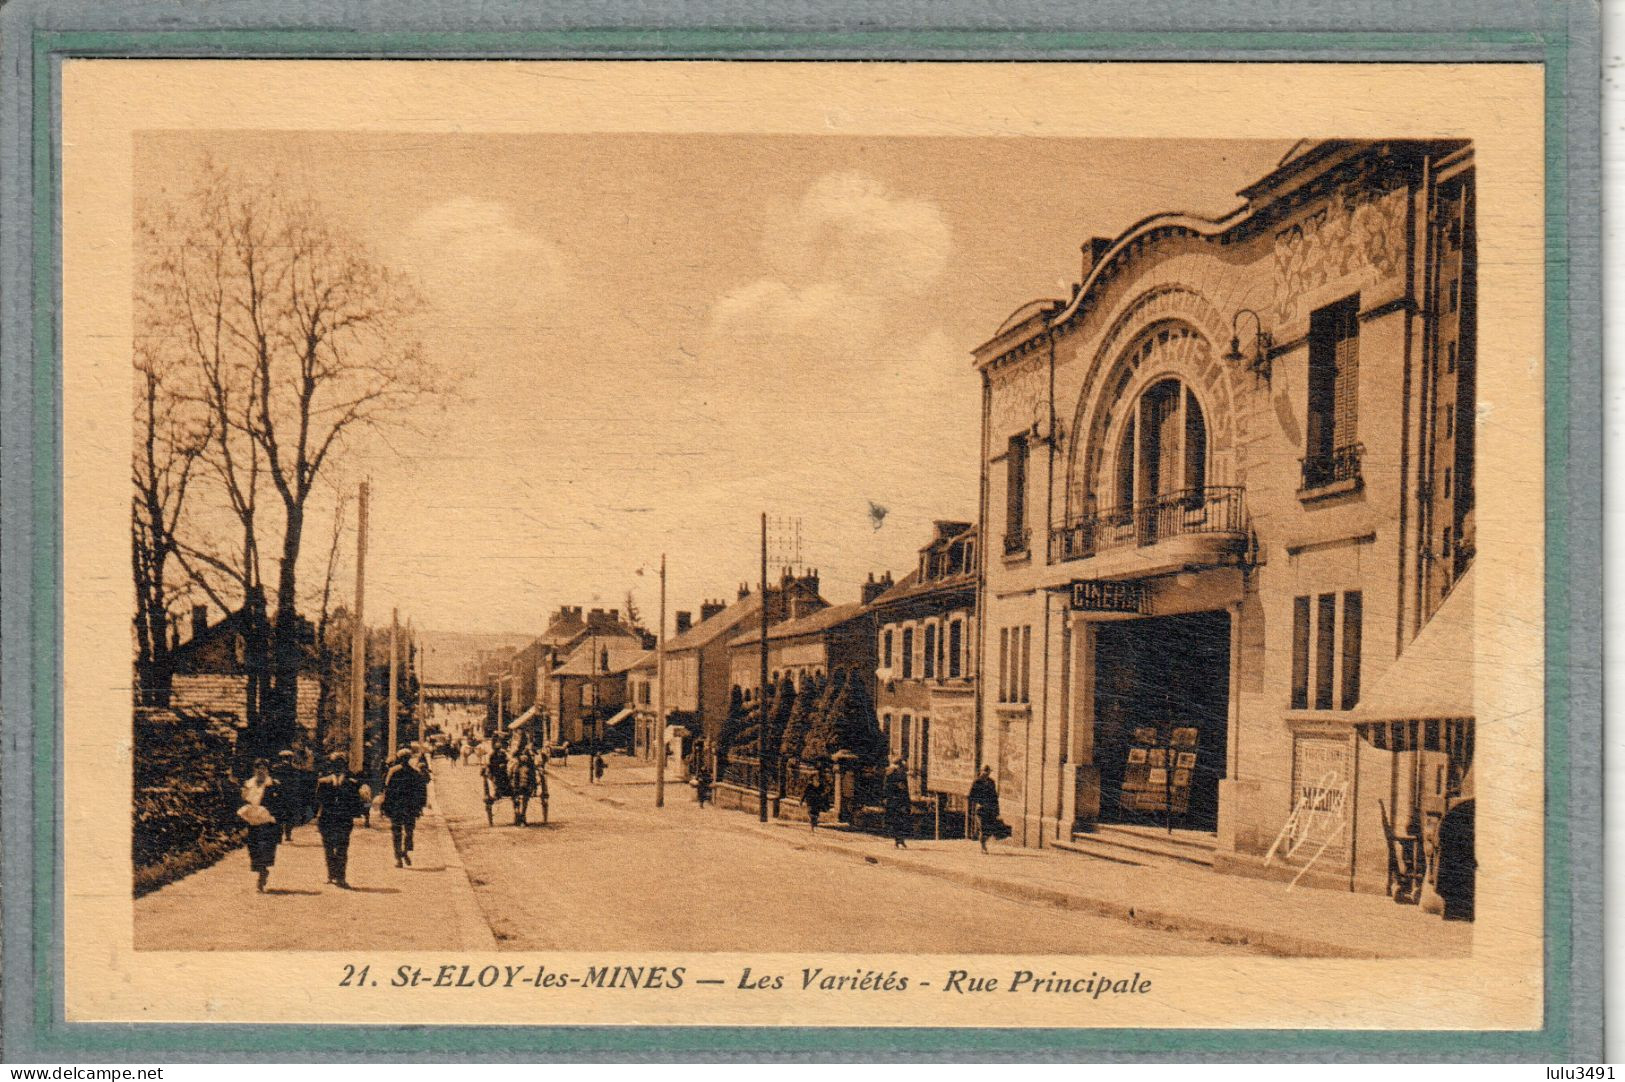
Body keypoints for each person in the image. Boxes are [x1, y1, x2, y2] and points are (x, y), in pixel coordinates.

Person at [314, 754, 366, 888]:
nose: (338, 767)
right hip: (327, 819)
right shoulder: (323, 782)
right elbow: (318, 800)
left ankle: (341, 877)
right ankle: (332, 874)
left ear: (344, 766)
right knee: (329, 848)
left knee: (342, 849)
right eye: (335, 764)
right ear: (331, 766)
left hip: (343, 820)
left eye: (340, 764)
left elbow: (355, 802)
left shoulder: (351, 783)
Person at [239, 758, 281, 892]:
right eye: (258, 768)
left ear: (267, 770)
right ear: (254, 770)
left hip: (267, 822)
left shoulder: (273, 785)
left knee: (264, 848)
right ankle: (261, 870)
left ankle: (262, 873)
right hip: (252, 821)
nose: (260, 771)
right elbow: (242, 801)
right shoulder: (248, 784)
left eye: (263, 768)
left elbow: (280, 804)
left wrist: (275, 817)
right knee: (253, 849)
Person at [381, 748, 428, 868]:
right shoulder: (415, 772)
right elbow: (422, 792)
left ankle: (398, 858)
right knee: (409, 832)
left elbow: (387, 789)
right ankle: (405, 851)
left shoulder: (393, 771)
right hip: (410, 807)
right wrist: (420, 807)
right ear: (409, 759)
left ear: (399, 758)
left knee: (396, 832)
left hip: (396, 806)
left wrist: (385, 805)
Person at [968, 765, 1008, 854]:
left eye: (988, 772)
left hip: (990, 809)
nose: (987, 774)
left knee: (988, 829)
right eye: (985, 772)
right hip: (980, 809)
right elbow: (971, 796)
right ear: (981, 772)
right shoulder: (977, 782)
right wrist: (979, 803)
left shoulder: (991, 782)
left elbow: (994, 797)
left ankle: (981, 839)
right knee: (983, 827)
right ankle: (983, 846)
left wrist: (997, 810)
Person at [268, 750, 302, 843]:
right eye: (286, 758)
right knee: (286, 816)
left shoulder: (276, 768)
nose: (286, 760)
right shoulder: (294, 769)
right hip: (286, 795)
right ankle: (286, 835)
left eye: (287, 758)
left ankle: (282, 836)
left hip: (282, 795)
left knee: (282, 816)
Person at [883, 758, 912, 849]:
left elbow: (905, 790)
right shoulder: (894, 775)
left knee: (900, 821)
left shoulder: (895, 774)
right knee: (898, 821)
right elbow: (888, 789)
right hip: (896, 801)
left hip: (897, 801)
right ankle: (899, 840)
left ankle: (900, 840)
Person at [482, 740, 511, 826]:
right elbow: (490, 764)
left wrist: (504, 763)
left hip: (503, 772)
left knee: (507, 778)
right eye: (497, 749)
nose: (499, 750)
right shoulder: (491, 755)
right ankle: (497, 791)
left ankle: (508, 789)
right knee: (497, 780)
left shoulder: (503, 753)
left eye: (500, 748)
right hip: (495, 772)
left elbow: (507, 760)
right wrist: (498, 766)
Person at [509, 745, 538, 826]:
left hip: (526, 787)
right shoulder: (515, 767)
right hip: (516, 787)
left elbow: (533, 779)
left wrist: (533, 788)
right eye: (522, 756)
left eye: (525, 756)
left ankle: (523, 816)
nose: (524, 757)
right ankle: (517, 813)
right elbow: (512, 778)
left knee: (525, 800)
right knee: (516, 800)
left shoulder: (530, 768)